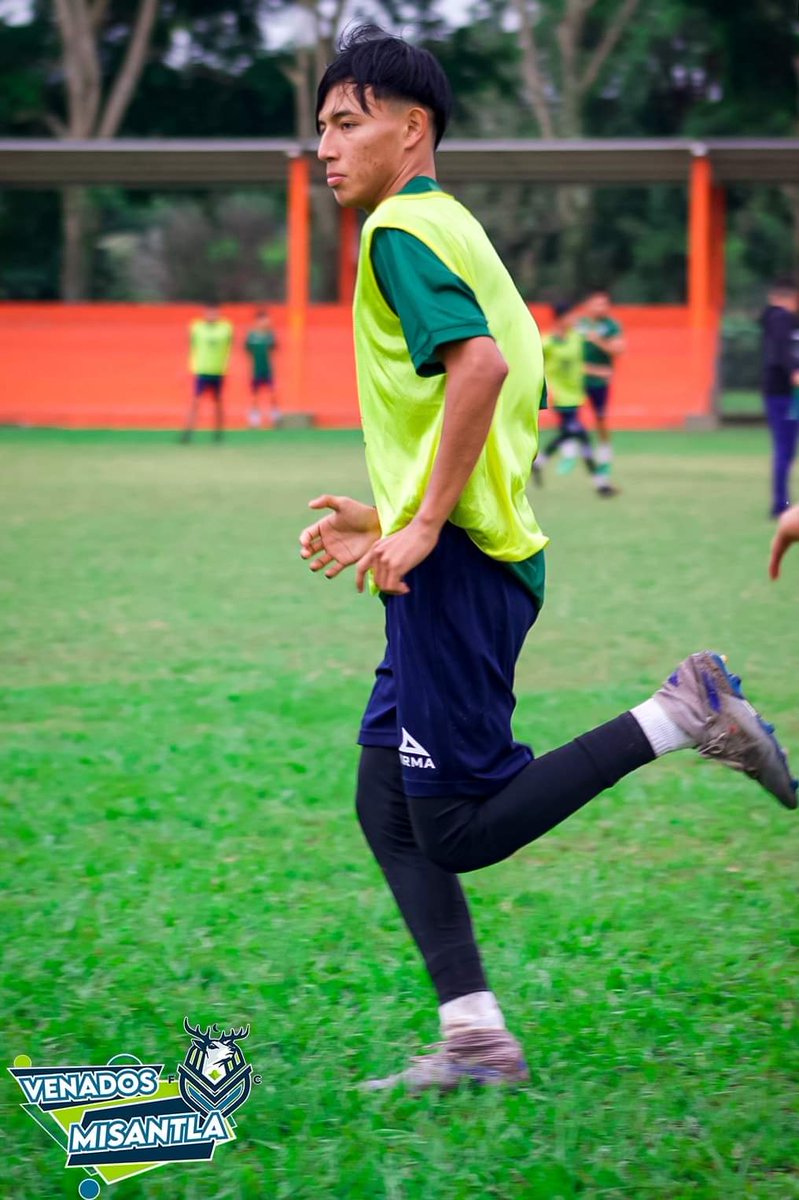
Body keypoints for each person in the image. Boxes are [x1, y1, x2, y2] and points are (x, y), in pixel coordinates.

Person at [300, 26, 796, 1094]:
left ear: (411, 127)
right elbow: (493, 381)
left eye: (346, 122)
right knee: (385, 801)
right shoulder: (455, 230)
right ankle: (476, 1038)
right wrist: (385, 508)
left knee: (458, 829)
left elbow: (476, 368)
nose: (325, 147)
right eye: (322, 126)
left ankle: (681, 711)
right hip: (469, 555)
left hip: (457, 568)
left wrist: (425, 523)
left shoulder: (398, 230)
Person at [533, 301, 617, 496]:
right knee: (581, 436)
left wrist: (598, 371)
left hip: (575, 397)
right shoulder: (547, 342)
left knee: (571, 435)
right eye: (571, 316)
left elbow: (580, 366)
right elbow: (535, 365)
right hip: (560, 399)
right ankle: (601, 484)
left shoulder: (576, 339)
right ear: (561, 319)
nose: (575, 320)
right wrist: (546, 388)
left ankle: (540, 462)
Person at [575, 287, 624, 487]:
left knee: (601, 418)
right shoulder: (579, 325)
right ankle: (571, 452)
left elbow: (618, 350)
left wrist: (598, 340)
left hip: (599, 382)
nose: (602, 307)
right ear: (588, 305)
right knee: (570, 416)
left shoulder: (611, 327)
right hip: (576, 380)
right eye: (598, 303)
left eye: (605, 303)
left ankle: (605, 452)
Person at [760, 278, 799, 517]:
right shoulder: (780, 318)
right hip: (784, 394)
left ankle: (781, 503)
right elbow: (782, 354)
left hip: (785, 394)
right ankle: (780, 504)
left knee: (787, 449)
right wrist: (794, 373)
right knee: (785, 448)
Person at [181, 303, 234, 443]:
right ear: (204, 313)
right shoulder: (197, 327)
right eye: (209, 312)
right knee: (195, 401)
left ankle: (218, 433)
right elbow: (192, 344)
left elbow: (229, 344)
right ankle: (188, 433)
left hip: (218, 371)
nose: (212, 315)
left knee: (218, 402)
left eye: (215, 313)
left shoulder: (225, 328)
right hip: (201, 370)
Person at [244, 308, 281, 429]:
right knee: (255, 394)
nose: (266, 322)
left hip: (268, 370)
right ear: (257, 321)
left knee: (272, 393)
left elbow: (274, 348)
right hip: (255, 370)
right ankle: (255, 418)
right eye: (263, 320)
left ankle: (275, 417)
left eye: (267, 320)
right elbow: (247, 350)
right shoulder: (252, 336)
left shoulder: (270, 335)